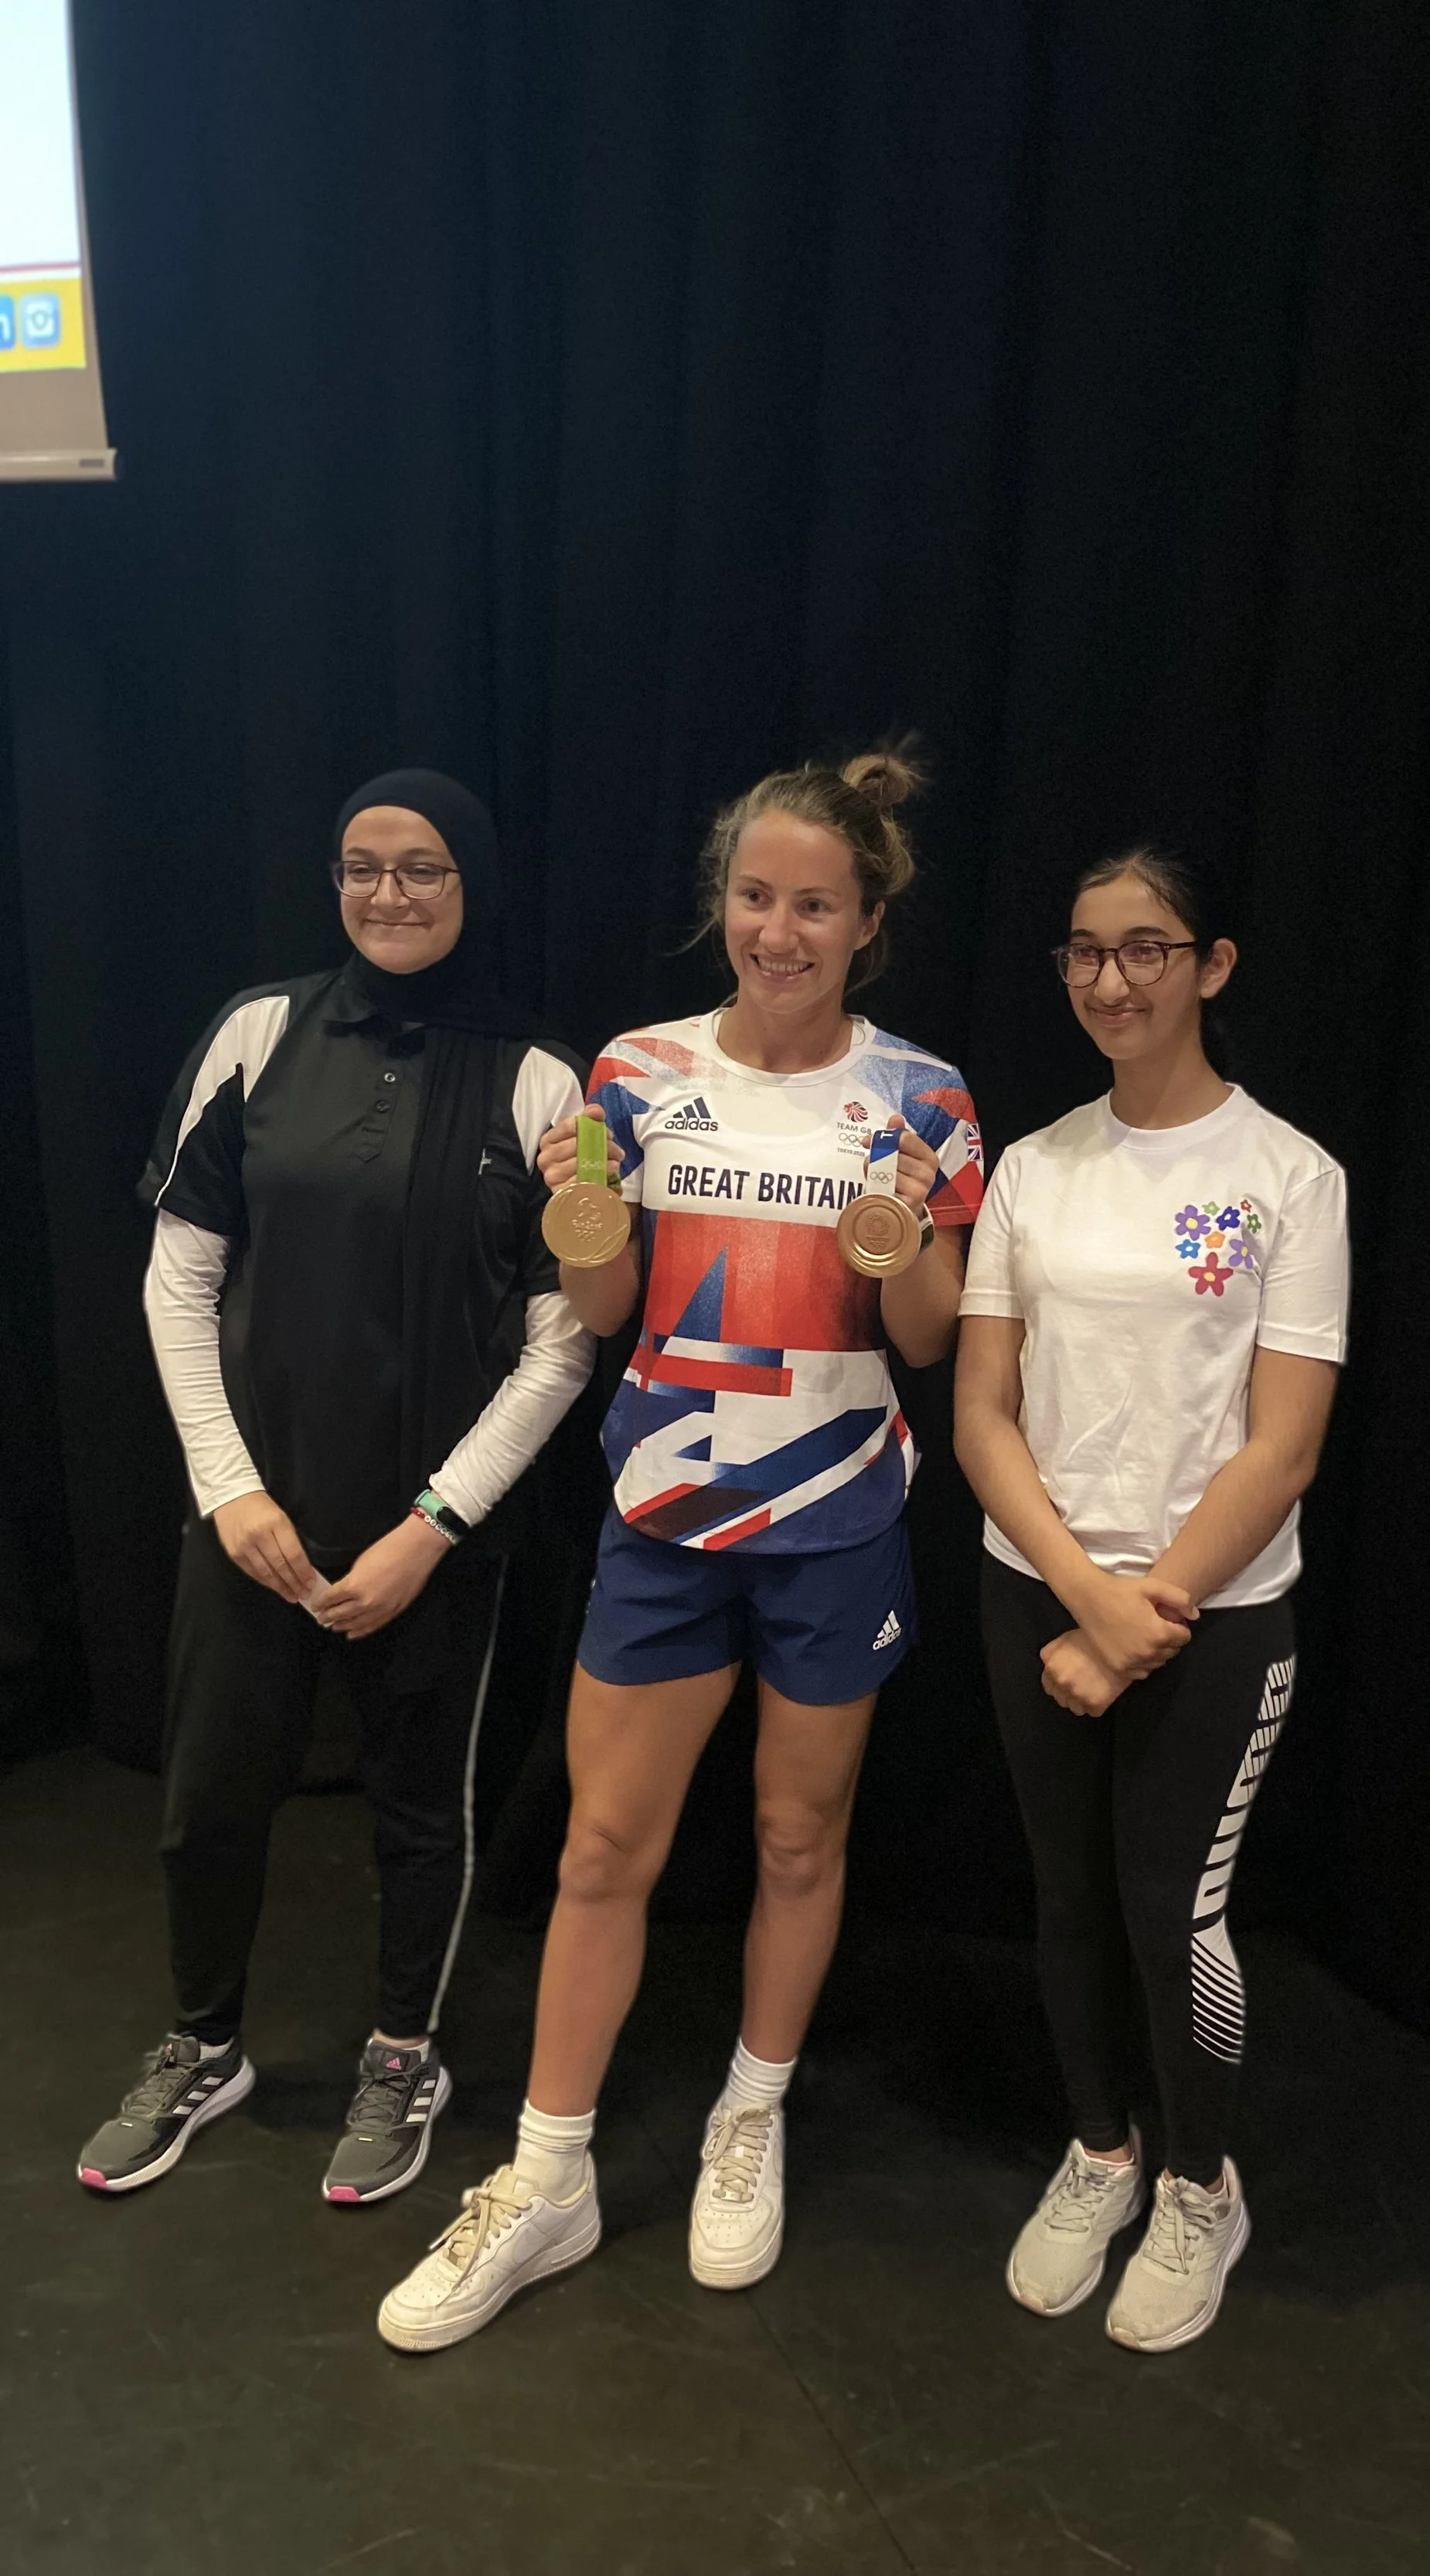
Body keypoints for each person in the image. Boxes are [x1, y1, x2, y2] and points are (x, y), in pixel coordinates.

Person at [377, 748, 982, 2350]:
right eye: (754, 897)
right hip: (664, 1515)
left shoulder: (922, 1095)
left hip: (836, 1519)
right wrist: (580, 1211)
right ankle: (546, 2172)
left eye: (815, 906)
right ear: (723, 902)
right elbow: (602, 1303)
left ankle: (749, 2112)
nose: (778, 931)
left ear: (867, 923)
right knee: (598, 1849)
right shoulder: (636, 1072)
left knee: (795, 1837)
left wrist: (906, 1230)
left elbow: (925, 1336)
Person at [78, 772, 594, 2205]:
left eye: (421, 869)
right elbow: (179, 1279)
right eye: (362, 868)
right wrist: (229, 1490)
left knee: (422, 1810)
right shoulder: (257, 1033)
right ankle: (203, 2045)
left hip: (432, 1535)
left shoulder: (547, 1082)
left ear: (472, 883)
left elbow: (563, 1344)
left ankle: (403, 2053)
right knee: (207, 1802)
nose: (388, 895)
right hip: (255, 1516)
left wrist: (434, 1529)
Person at [953, 848, 1348, 2352]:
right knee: (1065, 1900)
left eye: (1145, 949)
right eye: (1083, 952)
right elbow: (981, 1411)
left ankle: (1199, 2185)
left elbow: (1284, 1444)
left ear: (1211, 964)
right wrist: (1082, 1594)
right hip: (1037, 1599)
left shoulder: (1289, 1178)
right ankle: (1100, 2151)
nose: (1109, 980)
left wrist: (1149, 1611)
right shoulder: (1034, 1168)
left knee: (1171, 1914)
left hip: (1215, 1617)